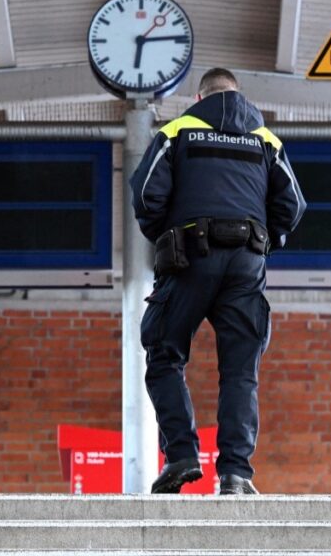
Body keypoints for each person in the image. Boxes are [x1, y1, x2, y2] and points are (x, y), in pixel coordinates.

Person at [129, 68, 306, 495]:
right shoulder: (267, 140)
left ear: (198, 97)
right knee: (241, 371)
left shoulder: (177, 131)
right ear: (238, 94)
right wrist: (264, 243)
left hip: (190, 258)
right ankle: (235, 473)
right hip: (247, 264)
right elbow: (293, 204)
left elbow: (145, 194)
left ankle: (183, 455)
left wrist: (167, 238)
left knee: (164, 354)